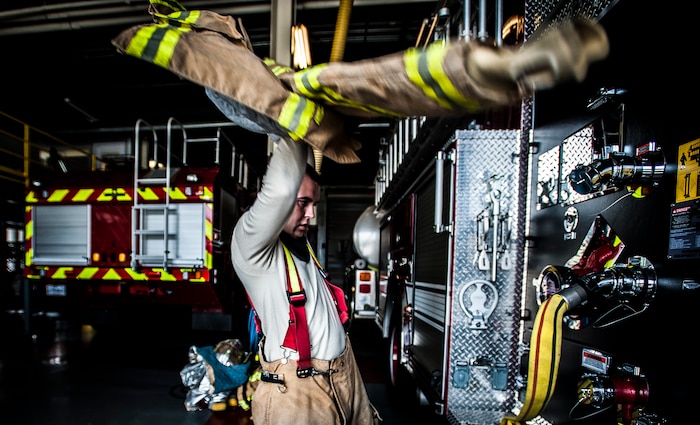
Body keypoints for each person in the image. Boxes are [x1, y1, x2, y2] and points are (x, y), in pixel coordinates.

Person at [230, 136, 380, 425]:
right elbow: (283, 185)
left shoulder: (302, 245)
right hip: (300, 397)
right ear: (278, 205)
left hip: (344, 380)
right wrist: (295, 128)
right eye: (303, 203)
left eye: (315, 203)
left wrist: (317, 137)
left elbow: (298, 177)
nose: (311, 214)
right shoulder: (253, 249)